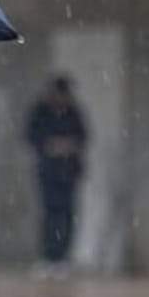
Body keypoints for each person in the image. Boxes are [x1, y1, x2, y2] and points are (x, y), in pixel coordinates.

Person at [23, 75, 88, 275]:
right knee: (50, 213)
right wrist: (49, 145)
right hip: (48, 172)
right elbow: (31, 135)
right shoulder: (40, 111)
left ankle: (63, 258)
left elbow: (83, 136)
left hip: (69, 172)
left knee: (67, 214)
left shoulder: (74, 112)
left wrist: (68, 146)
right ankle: (48, 256)